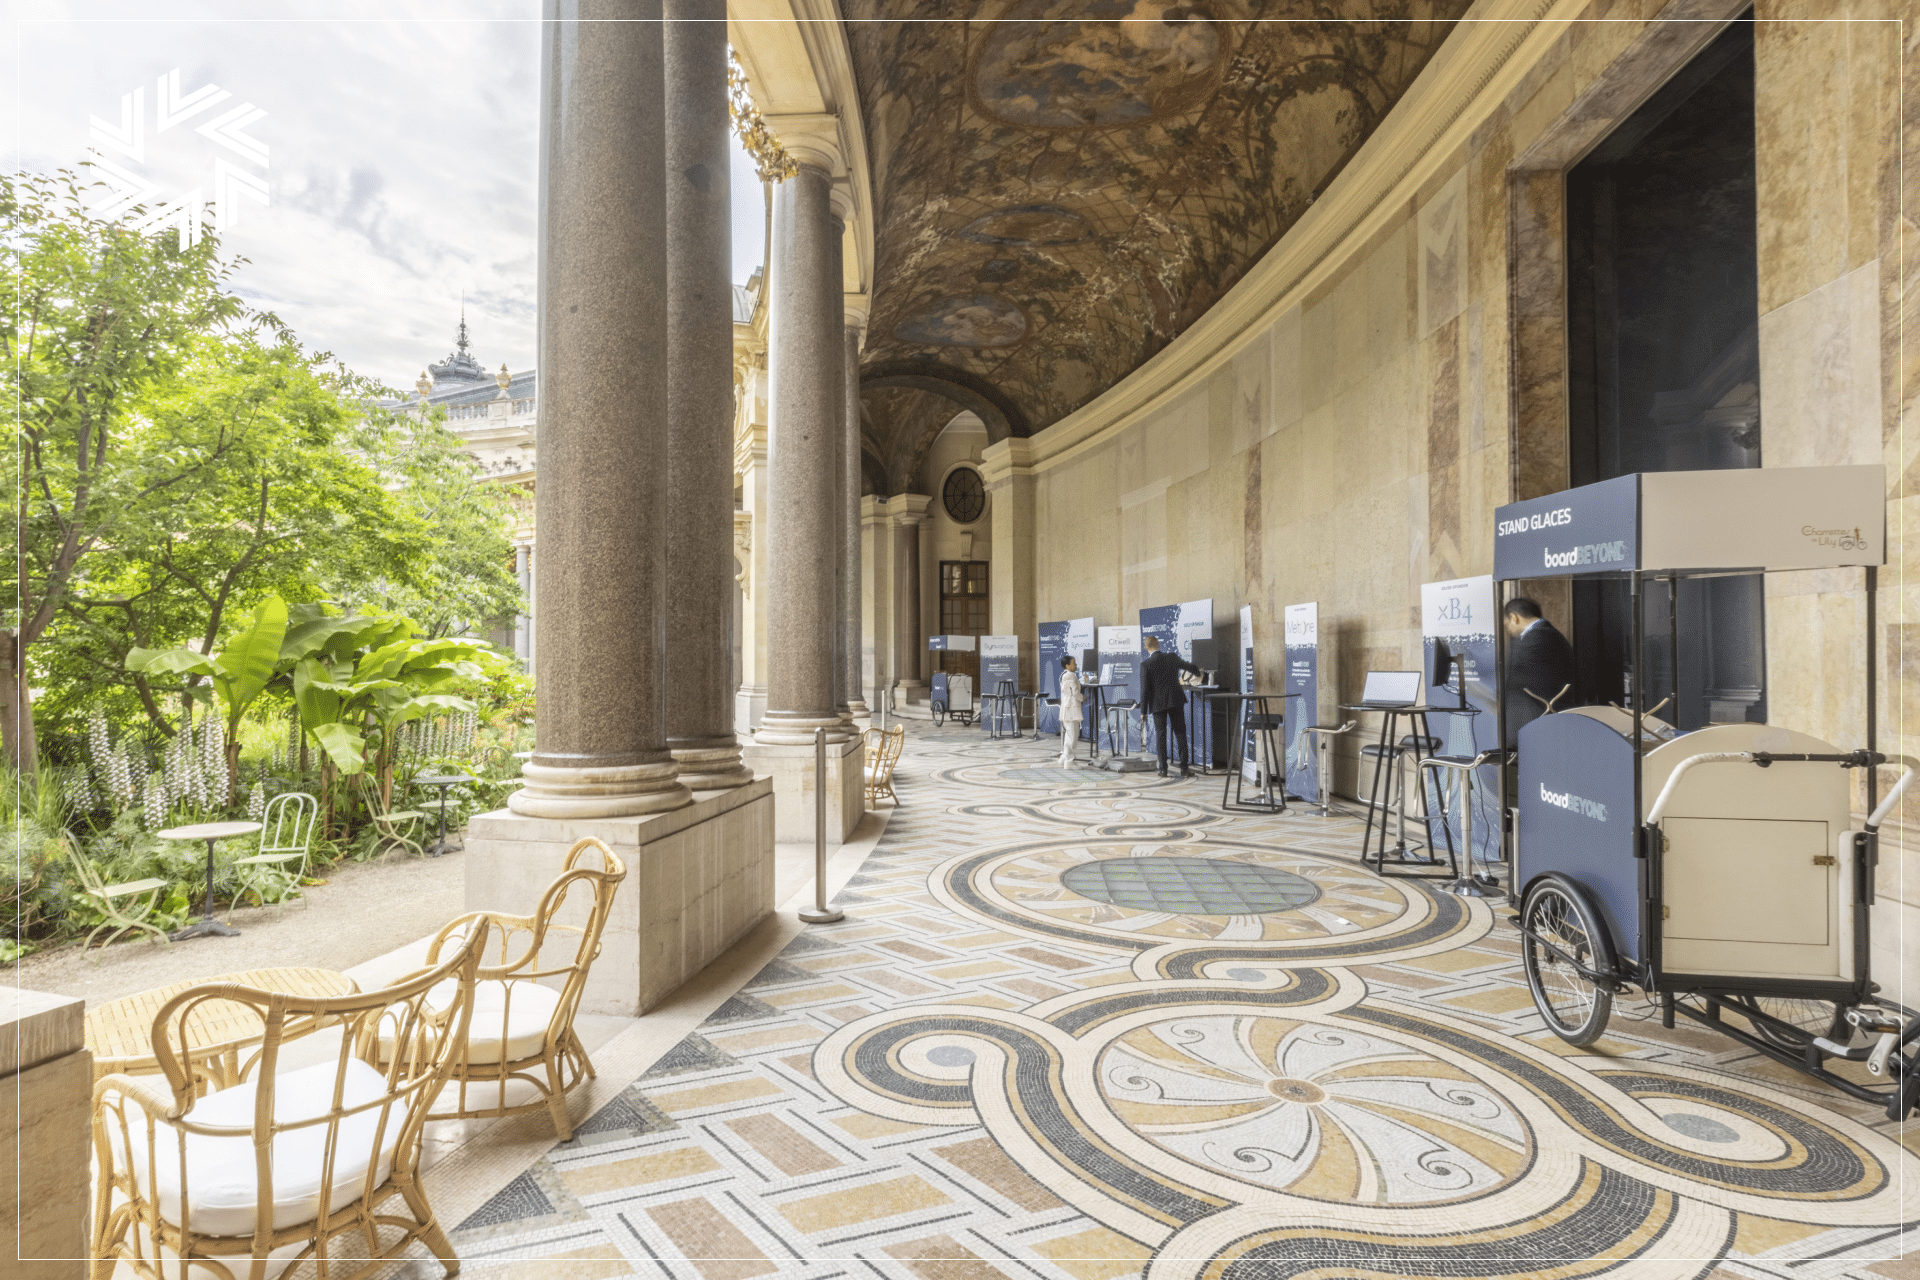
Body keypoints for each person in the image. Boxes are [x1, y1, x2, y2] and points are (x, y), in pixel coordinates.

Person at [1503, 597, 1575, 743]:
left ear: (1514, 617)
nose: (1508, 630)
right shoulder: (1544, 634)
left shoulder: (1539, 637)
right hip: (1543, 720)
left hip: (1541, 721)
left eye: (1506, 624)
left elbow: (1519, 677)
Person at [1140, 635, 1203, 778]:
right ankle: (1184, 768)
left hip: (1158, 704)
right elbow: (1189, 666)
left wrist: (1143, 711)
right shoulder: (1172, 657)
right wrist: (1198, 672)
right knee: (1180, 733)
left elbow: (1145, 690)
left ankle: (1163, 769)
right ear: (1158, 644)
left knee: (1161, 735)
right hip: (1176, 700)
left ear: (1146, 648)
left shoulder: (1146, 664)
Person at [1057, 655, 1084, 767]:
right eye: (1073, 663)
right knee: (1072, 735)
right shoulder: (1069, 675)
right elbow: (1075, 693)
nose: (1076, 665)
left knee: (1070, 734)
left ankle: (1064, 758)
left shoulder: (1066, 675)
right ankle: (1069, 761)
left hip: (1069, 709)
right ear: (1067, 665)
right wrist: (1083, 697)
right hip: (1071, 710)